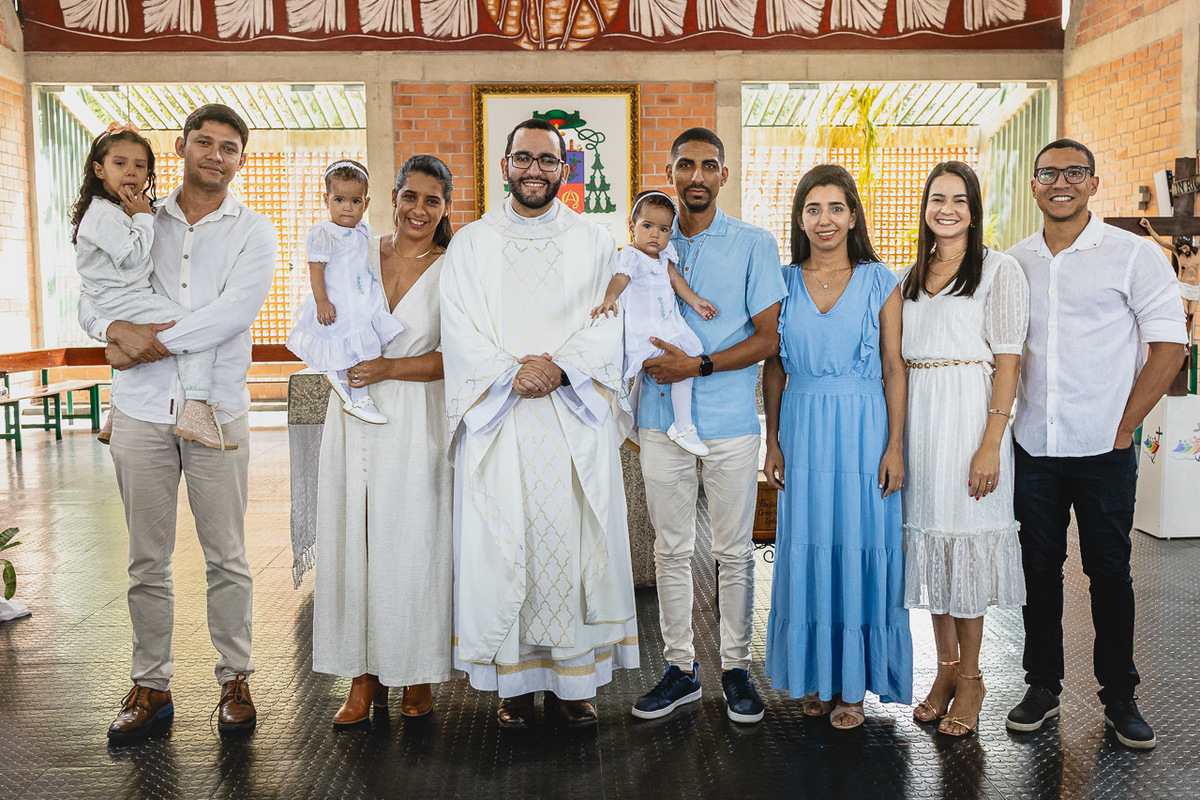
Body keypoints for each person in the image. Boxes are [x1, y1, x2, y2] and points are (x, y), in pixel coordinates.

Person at [78, 104, 278, 741]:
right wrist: (112, 330)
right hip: (140, 410)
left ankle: (234, 679)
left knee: (228, 557)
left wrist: (149, 340)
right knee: (146, 560)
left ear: (240, 159)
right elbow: (91, 294)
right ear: (182, 146)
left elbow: (233, 313)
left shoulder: (253, 230)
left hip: (217, 407)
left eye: (228, 148)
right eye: (204, 143)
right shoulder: (135, 215)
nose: (214, 156)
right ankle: (150, 686)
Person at [440, 118, 638, 729]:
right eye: (523, 158)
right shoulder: (472, 242)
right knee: (508, 546)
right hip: (501, 417)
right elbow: (458, 325)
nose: (534, 170)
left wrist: (561, 368)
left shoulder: (595, 241)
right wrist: (511, 371)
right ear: (505, 164)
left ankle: (573, 682)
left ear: (563, 169)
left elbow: (614, 321)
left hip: (571, 416)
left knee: (569, 538)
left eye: (546, 161)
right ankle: (515, 682)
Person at [1005, 139, 1186, 750]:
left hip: (1104, 450)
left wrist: (1123, 426)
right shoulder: (1014, 262)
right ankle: (1042, 687)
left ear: (1093, 182)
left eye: (1073, 173)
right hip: (1032, 446)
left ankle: (1120, 698)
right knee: (1038, 572)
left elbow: (1169, 347)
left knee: (1109, 572)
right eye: (1048, 173)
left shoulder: (1132, 256)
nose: (1061, 182)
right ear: (1033, 184)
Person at [631, 128, 786, 725]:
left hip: (729, 421)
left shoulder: (753, 243)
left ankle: (737, 670)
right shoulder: (646, 243)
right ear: (669, 171)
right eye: (685, 165)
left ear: (723, 175)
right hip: (657, 417)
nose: (697, 176)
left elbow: (768, 340)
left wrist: (696, 364)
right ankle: (679, 670)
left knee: (734, 552)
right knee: (669, 549)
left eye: (709, 166)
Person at [762, 164, 911, 730]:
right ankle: (820, 678)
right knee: (810, 548)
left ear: (853, 216)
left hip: (864, 428)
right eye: (812, 209)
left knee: (859, 547)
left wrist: (895, 447)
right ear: (799, 218)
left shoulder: (881, 280)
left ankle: (854, 686)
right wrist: (773, 441)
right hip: (803, 426)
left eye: (836, 208)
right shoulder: (780, 280)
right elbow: (773, 370)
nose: (824, 220)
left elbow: (895, 369)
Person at [312, 155, 457, 726]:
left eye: (432, 200)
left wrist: (388, 370)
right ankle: (362, 677)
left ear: (446, 208)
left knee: (413, 546)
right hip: (352, 417)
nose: (418, 210)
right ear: (391, 197)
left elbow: (460, 358)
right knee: (355, 544)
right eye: (410, 197)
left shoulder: (452, 268)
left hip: (417, 420)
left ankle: (417, 671)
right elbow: (322, 310)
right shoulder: (356, 249)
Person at [899, 161, 1029, 737]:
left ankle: (973, 678)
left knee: (967, 548)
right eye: (935, 199)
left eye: (958, 199)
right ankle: (945, 670)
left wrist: (991, 443)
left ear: (974, 209)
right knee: (934, 547)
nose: (945, 209)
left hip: (971, 419)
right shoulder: (913, 274)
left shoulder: (999, 270)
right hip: (922, 424)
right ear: (924, 207)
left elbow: (1008, 361)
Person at [70, 122, 228, 449]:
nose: (131, 172)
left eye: (139, 165)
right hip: (123, 300)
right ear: (99, 169)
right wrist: (143, 216)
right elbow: (130, 257)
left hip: (123, 298)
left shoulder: (116, 210)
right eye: (120, 163)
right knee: (198, 329)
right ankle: (197, 407)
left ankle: (115, 413)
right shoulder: (105, 214)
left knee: (137, 343)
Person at [590, 189, 718, 456]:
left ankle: (629, 421)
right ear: (632, 226)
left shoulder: (664, 256)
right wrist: (610, 299)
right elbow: (620, 279)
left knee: (680, 362)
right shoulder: (631, 256)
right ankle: (682, 426)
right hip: (647, 329)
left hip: (669, 324)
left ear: (670, 233)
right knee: (681, 365)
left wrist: (695, 302)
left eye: (663, 229)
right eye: (647, 226)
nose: (654, 234)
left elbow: (676, 281)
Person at [286, 159, 404, 425]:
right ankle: (358, 396)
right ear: (325, 199)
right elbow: (316, 270)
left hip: (362, 297)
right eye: (339, 199)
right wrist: (321, 301)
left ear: (367, 203)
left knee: (363, 345)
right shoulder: (324, 233)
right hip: (340, 299)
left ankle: (351, 387)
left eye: (355, 201)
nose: (347, 207)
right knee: (355, 344)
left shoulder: (363, 230)